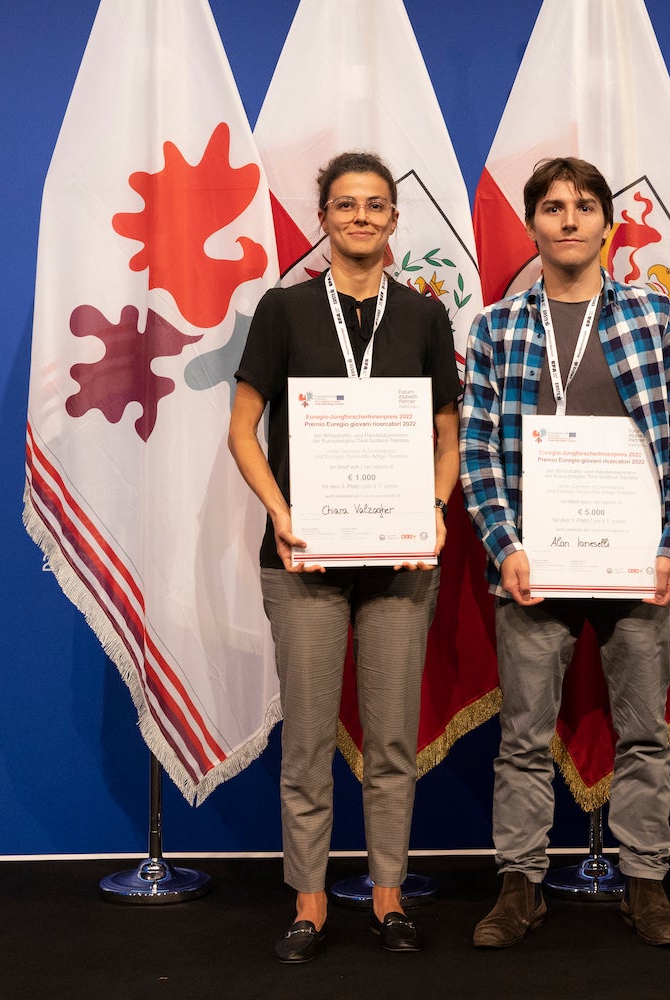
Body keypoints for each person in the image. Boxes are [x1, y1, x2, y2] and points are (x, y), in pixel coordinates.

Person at [460, 157, 670, 948]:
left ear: (607, 224)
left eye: (585, 206)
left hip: (636, 565)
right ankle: (520, 886)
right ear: (532, 223)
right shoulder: (497, 326)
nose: (569, 220)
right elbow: (478, 453)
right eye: (554, 207)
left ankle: (645, 885)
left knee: (644, 733)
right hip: (535, 564)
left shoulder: (653, 314)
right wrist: (503, 546)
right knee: (524, 738)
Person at [228, 151, 461, 960]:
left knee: (393, 737)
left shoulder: (426, 317)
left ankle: (388, 894)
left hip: (399, 558)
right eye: (344, 205)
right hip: (304, 558)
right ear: (323, 219)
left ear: (395, 221)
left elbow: (447, 434)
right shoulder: (283, 310)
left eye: (374, 206)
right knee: (308, 740)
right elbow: (241, 430)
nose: (360, 217)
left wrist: (435, 508)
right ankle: (309, 898)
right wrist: (284, 512)